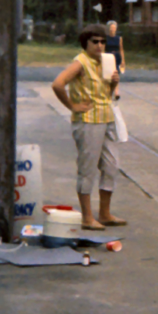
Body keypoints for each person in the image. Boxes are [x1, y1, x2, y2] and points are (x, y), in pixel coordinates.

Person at [51, 24, 125, 231]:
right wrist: (72, 106)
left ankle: (105, 212)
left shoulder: (106, 61)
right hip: (88, 120)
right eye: (95, 42)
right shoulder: (80, 62)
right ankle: (87, 217)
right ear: (86, 43)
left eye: (102, 41)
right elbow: (58, 84)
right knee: (88, 169)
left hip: (107, 117)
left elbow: (106, 93)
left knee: (111, 166)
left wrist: (113, 83)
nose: (100, 45)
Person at [104, 20, 125, 100]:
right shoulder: (106, 38)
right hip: (108, 56)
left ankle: (116, 92)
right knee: (109, 75)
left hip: (116, 57)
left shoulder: (119, 38)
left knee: (116, 74)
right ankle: (109, 91)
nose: (113, 29)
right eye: (112, 27)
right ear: (109, 28)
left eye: (114, 27)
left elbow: (121, 49)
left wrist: (123, 60)